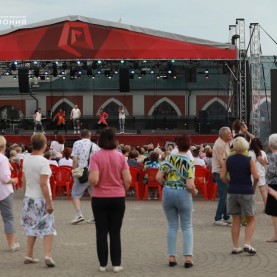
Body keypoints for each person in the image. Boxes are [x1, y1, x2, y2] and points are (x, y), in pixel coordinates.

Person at [89, 127, 131, 273]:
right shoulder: (120, 156)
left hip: (99, 198)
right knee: (115, 232)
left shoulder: (95, 156)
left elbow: (93, 179)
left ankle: (102, 264)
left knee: (101, 231)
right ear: (114, 140)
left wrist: (91, 180)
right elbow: (128, 179)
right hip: (118, 197)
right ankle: (117, 264)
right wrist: (122, 190)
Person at [156, 135, 197, 268]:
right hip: (183, 193)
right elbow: (190, 185)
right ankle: (188, 258)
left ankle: (172, 257)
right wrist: (195, 191)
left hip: (168, 192)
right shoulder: (189, 162)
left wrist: (167, 183)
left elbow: (158, 177)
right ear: (189, 146)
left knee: (172, 226)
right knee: (187, 226)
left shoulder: (169, 158)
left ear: (177, 145)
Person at [21, 133, 56, 267]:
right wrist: (49, 202)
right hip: (41, 198)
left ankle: (29, 254)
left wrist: (26, 193)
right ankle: (47, 255)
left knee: (31, 227)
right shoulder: (44, 162)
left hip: (29, 197)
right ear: (44, 145)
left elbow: (24, 180)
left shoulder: (26, 159)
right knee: (48, 227)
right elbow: (43, 184)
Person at [220, 136, 259, 255]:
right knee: (250, 219)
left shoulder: (228, 160)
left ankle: (235, 246)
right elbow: (256, 177)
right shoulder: (249, 160)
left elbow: (222, 176)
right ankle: (247, 243)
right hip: (246, 191)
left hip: (232, 192)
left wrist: (229, 183)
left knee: (235, 219)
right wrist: (253, 187)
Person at [71, 129, 100, 224]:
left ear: (80, 135)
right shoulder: (95, 146)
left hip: (81, 172)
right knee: (94, 195)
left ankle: (79, 214)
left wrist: (74, 171)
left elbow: (75, 159)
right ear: (90, 136)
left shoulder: (77, 143)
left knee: (75, 194)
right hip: (93, 172)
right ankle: (95, 216)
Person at [0, 136, 19, 252]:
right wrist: (14, 180)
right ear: (4, 146)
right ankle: (11, 244)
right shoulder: (3, 159)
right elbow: (5, 179)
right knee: (8, 219)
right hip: (4, 192)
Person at [212, 126, 233, 226]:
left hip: (223, 172)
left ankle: (226, 216)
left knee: (226, 195)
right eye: (229, 134)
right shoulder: (219, 145)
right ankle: (218, 218)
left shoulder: (225, 143)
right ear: (224, 135)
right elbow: (221, 162)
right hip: (219, 172)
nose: (231, 135)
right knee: (224, 195)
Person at [265, 133, 277, 242]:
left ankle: (276, 235)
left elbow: (272, 171)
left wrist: (265, 168)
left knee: (274, 211)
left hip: (274, 184)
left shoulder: (273, 156)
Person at [249, 137, 268, 207]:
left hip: (251, 175)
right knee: (263, 191)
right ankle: (266, 207)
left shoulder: (249, 153)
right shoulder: (263, 152)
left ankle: (251, 207)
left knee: (252, 191)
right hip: (261, 174)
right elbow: (265, 164)